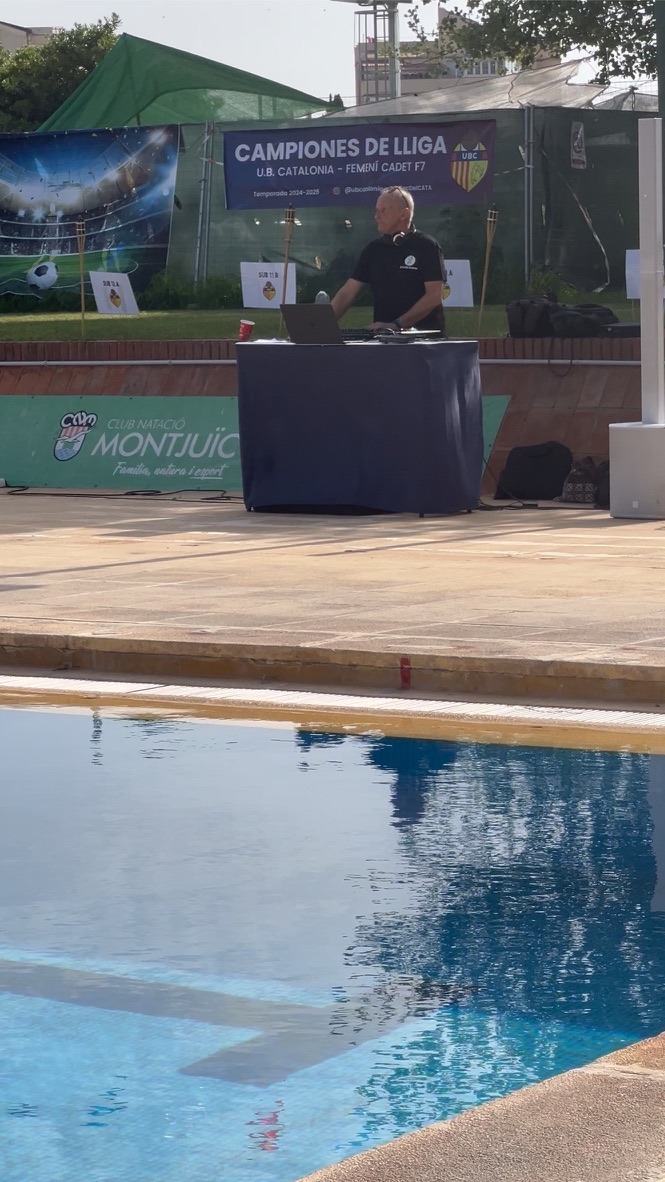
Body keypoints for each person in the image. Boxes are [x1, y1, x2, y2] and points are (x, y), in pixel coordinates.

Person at [330, 186, 446, 333]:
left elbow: (434, 296)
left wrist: (397, 324)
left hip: (425, 341)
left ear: (404, 214)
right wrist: (319, 326)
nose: (376, 216)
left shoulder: (427, 246)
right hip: (383, 339)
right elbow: (347, 293)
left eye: (383, 210)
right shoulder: (373, 250)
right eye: (376, 210)